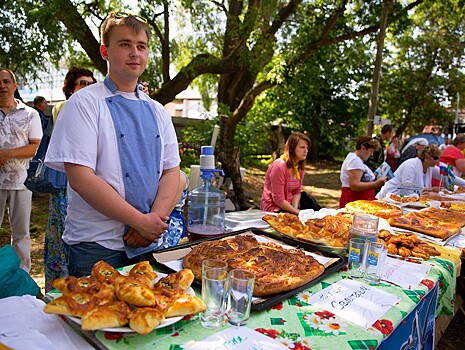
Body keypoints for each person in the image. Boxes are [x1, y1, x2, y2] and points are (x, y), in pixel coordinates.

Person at [44, 12, 180, 277]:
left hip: (148, 242)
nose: (134, 53)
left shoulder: (159, 111)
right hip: (97, 245)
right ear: (105, 51)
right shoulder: (83, 104)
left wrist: (154, 222)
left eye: (141, 46)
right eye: (125, 44)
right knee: (102, 317)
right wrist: (140, 221)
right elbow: (81, 178)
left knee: (149, 315)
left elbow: (171, 171)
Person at [44, 67, 96, 292]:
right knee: (60, 237)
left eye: (91, 84)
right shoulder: (65, 107)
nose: (88, 88)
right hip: (64, 186)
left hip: (86, 187)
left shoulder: (94, 109)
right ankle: (58, 289)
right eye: (83, 83)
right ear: (70, 89)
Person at [0, 68, 43, 273]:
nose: (2, 86)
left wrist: (7, 154)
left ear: (14, 85)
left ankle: (22, 279)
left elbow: (36, 147)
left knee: (21, 234)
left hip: (21, 181)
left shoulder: (30, 114)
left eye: (7, 81)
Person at [261, 132, 320, 214]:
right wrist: (297, 212)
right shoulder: (279, 167)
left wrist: (295, 209)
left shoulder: (299, 167)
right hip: (273, 209)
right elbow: (278, 200)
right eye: (302, 147)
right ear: (292, 148)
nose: (306, 151)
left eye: (307, 148)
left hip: (288, 206)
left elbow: (296, 191)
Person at [376, 145, 442, 199]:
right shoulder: (411, 165)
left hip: (407, 199)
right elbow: (406, 187)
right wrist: (429, 190)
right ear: (427, 157)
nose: (437, 161)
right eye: (435, 158)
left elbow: (442, 173)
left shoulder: (429, 167)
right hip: (391, 195)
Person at [339, 136, 387, 208]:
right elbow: (354, 185)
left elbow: (361, 177)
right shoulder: (355, 161)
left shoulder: (357, 159)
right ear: (363, 148)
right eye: (370, 151)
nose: (371, 155)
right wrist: (376, 184)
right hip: (355, 201)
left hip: (360, 201)